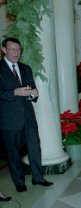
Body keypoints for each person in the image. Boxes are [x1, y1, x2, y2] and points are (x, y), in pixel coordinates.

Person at [0, 37, 54, 193]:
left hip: (28, 117)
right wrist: (14, 92)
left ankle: (38, 178)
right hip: (9, 119)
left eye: (18, 49)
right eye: (12, 49)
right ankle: (19, 182)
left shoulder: (26, 68)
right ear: (4, 50)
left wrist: (34, 94)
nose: (16, 53)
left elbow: (32, 90)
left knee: (34, 148)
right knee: (13, 152)